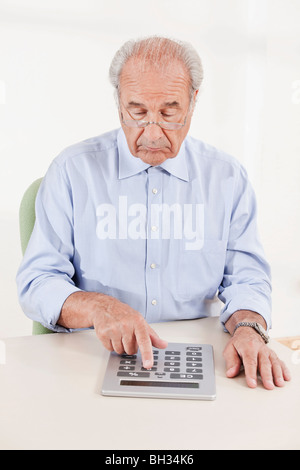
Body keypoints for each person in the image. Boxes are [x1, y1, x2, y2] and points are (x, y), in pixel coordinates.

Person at [17, 36, 291, 390]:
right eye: (138, 111)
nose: (152, 132)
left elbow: (248, 278)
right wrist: (98, 308)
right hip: (90, 356)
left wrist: (249, 328)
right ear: (118, 104)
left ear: (193, 103)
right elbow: (37, 282)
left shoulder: (227, 177)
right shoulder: (72, 171)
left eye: (169, 112)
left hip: (199, 356)